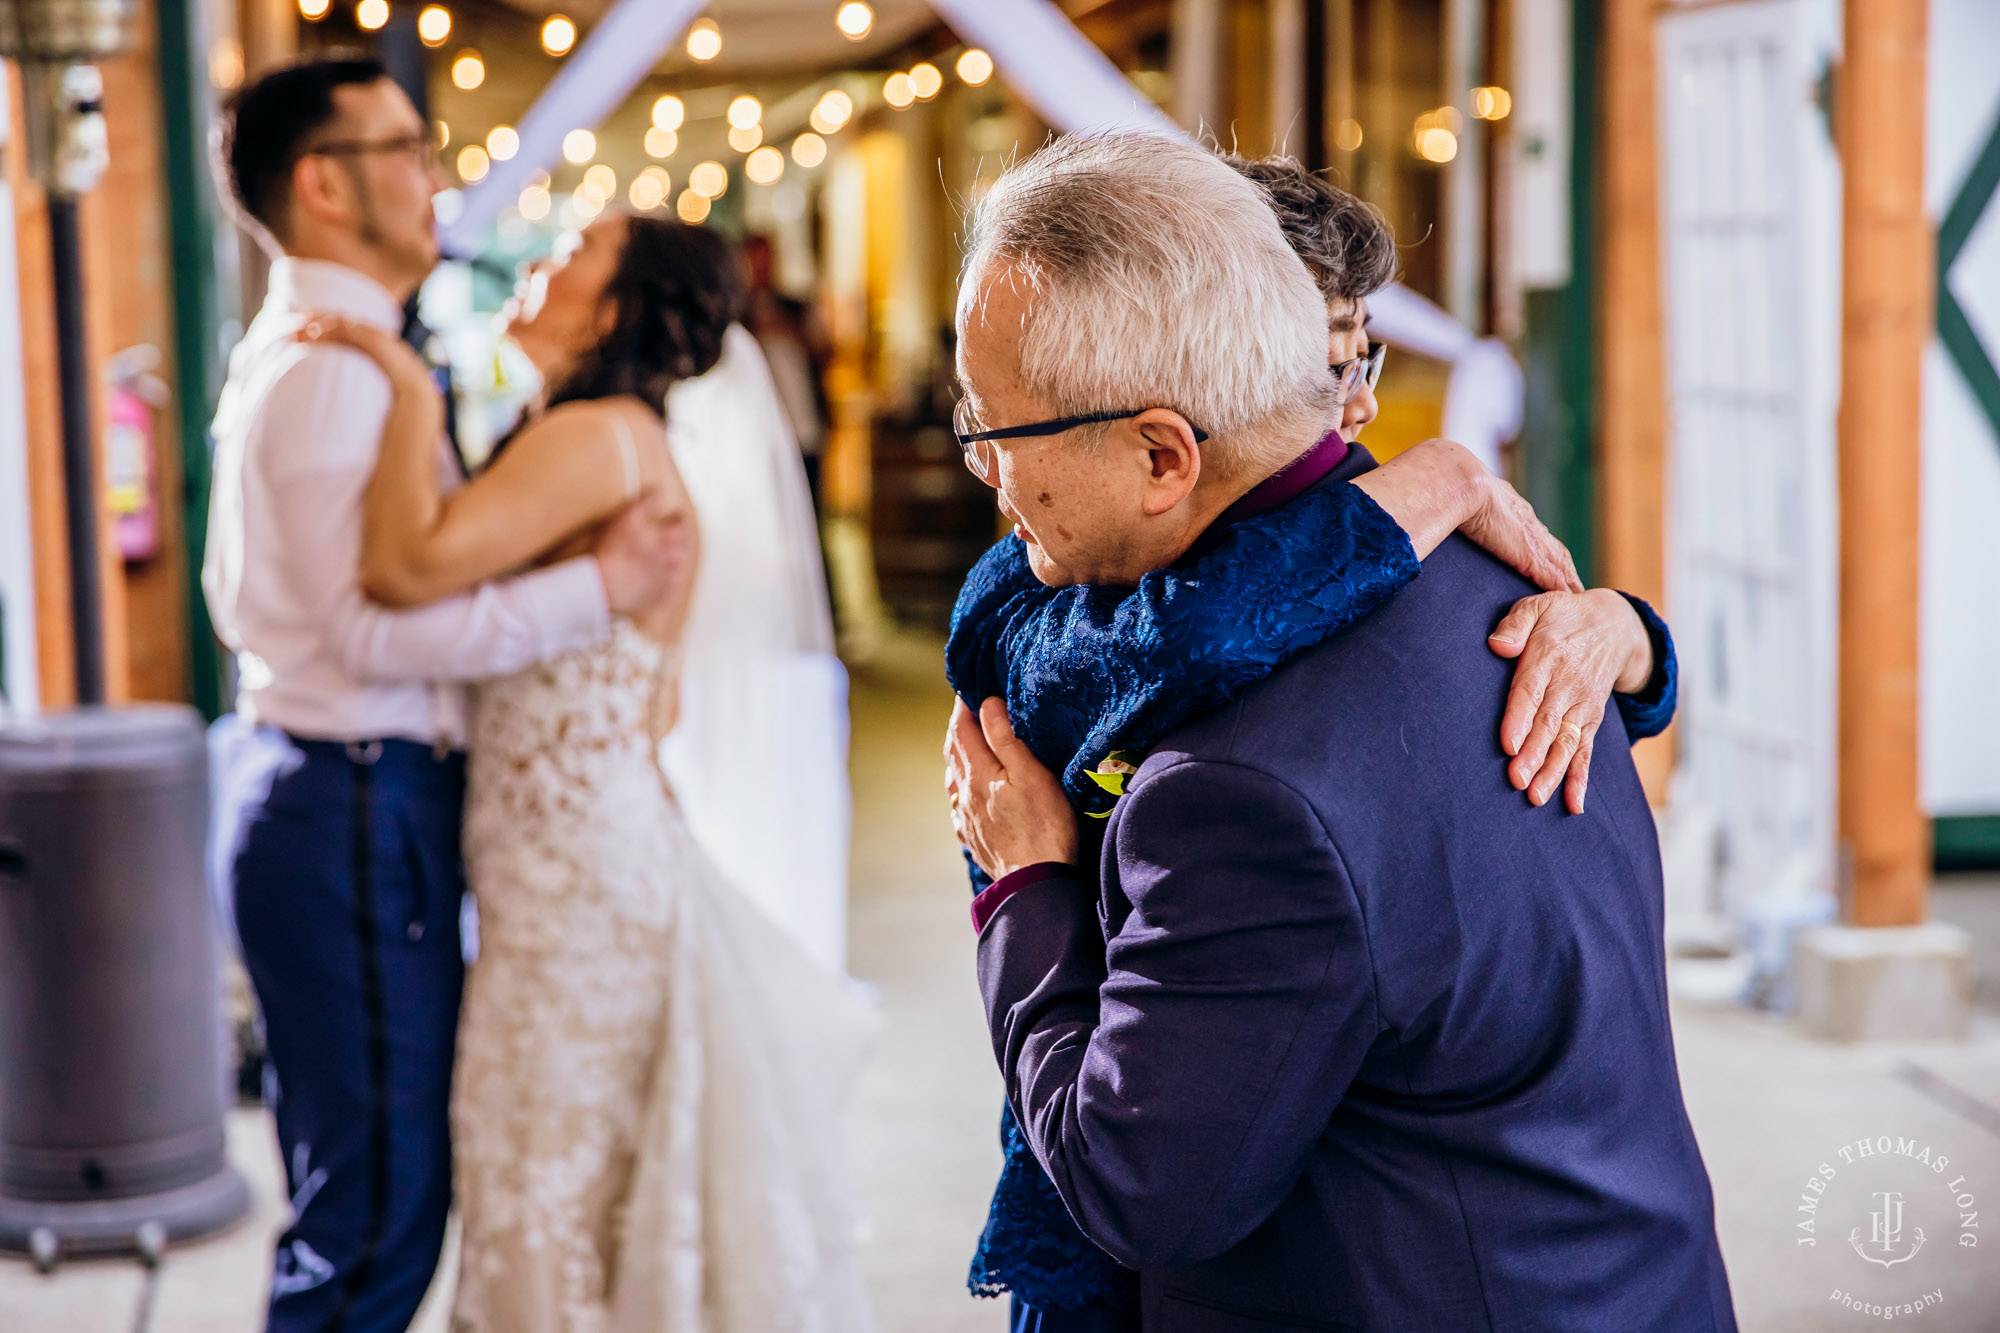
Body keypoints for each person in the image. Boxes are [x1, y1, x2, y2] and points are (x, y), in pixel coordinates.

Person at [944, 135, 1733, 1331]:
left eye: (994, 431)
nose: (985, 474)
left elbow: (1137, 1189)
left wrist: (1029, 890)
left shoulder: (1240, 785)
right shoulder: (1494, 584)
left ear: (1165, 449)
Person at [302, 212, 875, 1331]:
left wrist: (409, 392)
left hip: (570, 895)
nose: (544, 261)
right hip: (586, 867)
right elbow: (654, 700)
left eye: (574, 256)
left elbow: (403, 565)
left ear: (614, 308)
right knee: (564, 1181)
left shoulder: (595, 439)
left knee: (540, 1178)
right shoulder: (608, 438)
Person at [205, 55, 689, 1331]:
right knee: (373, 1226)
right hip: (354, 800)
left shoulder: (340, 354)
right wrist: (597, 589)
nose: (438, 179)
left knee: (375, 1197)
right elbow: (371, 632)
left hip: (357, 800)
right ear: (321, 182)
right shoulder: (343, 372)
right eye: (408, 150)